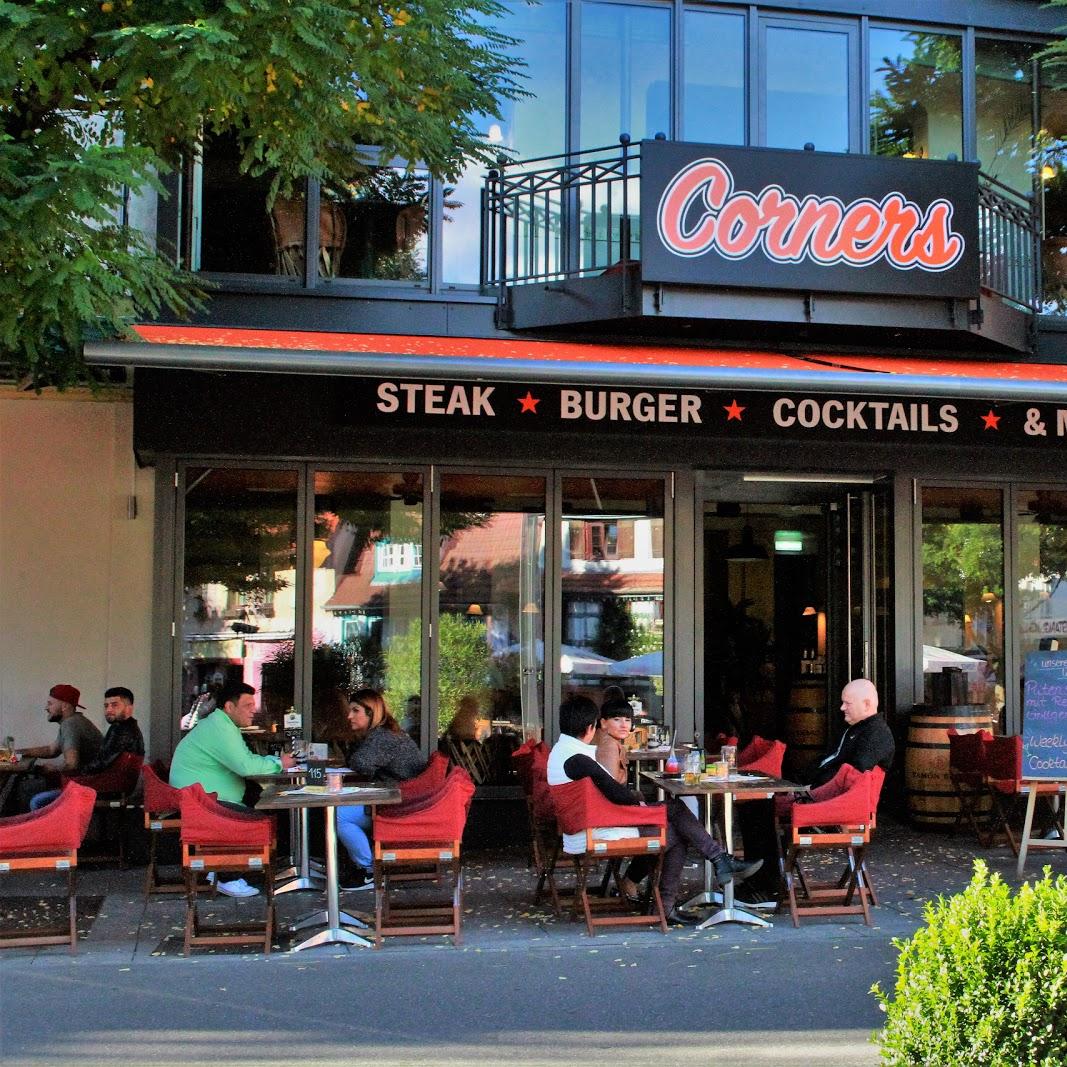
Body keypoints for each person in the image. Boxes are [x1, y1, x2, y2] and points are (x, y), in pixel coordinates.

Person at [548, 696, 761, 926]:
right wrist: (640, 804)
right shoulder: (578, 758)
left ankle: (711, 867)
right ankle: (716, 862)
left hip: (588, 824)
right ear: (591, 727)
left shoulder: (561, 753)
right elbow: (616, 794)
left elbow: (609, 792)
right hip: (595, 830)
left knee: (676, 822)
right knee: (675, 811)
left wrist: (638, 803)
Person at [737, 677, 895, 904]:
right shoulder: (854, 730)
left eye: (847, 703)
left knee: (761, 810)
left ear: (867, 704)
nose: (841, 708)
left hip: (834, 808)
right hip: (822, 797)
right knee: (753, 805)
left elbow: (851, 778)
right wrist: (798, 785)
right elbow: (827, 764)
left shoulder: (876, 735)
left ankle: (767, 887)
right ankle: (757, 880)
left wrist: (809, 792)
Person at [169, 681, 295, 897]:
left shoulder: (221, 725)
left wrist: (273, 762)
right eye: (247, 705)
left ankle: (223, 870)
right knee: (259, 818)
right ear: (229, 707)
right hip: (203, 805)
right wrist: (279, 764)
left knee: (264, 801)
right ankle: (226, 875)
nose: (253, 710)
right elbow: (245, 766)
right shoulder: (219, 728)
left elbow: (245, 760)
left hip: (205, 800)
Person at [336, 688, 427, 891]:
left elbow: (361, 763)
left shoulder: (383, 737)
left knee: (339, 816)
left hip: (401, 804)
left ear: (371, 712)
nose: (349, 716)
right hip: (399, 797)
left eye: (355, 710)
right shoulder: (384, 733)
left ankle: (369, 871)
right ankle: (365, 865)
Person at [29, 686, 145, 810]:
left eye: (115, 705)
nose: (109, 709)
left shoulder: (121, 731)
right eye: (106, 706)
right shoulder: (126, 728)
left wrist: (59, 772)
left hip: (103, 790)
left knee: (37, 801)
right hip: (108, 787)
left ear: (129, 709)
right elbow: (52, 750)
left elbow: (97, 765)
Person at [16, 684, 104, 811]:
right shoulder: (74, 721)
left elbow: (71, 764)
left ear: (64, 706)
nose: (46, 708)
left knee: (32, 796)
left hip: (85, 787)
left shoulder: (70, 724)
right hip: (88, 784)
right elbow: (51, 750)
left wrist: (54, 769)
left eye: (50, 704)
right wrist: (15, 753)